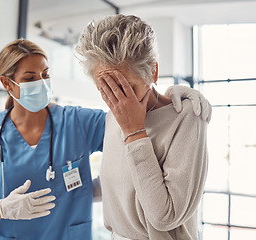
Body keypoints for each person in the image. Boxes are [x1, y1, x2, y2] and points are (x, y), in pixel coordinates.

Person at [0, 39, 210, 240]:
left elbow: (137, 122)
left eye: (45, 74)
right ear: (8, 83)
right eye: (30, 78)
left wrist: (174, 97)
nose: (41, 82)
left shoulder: (80, 122)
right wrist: (0, 209)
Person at [76, 14, 209, 240]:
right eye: (106, 89)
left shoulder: (187, 119)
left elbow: (165, 216)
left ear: (153, 72)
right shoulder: (111, 117)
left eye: (126, 87)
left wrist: (134, 132)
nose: (119, 101)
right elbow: (121, 187)